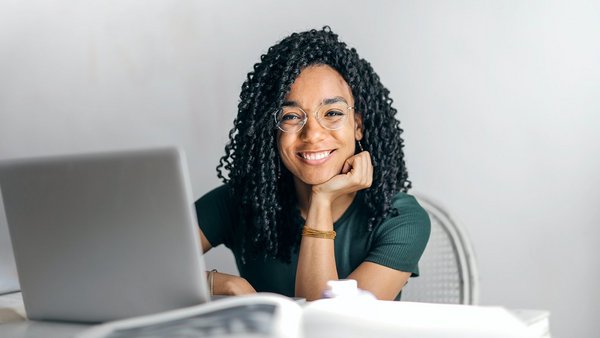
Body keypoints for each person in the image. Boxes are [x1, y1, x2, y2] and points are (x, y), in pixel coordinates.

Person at [195, 26, 430, 301]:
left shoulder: (400, 218)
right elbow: (139, 267)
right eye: (291, 117)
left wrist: (322, 199)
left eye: (332, 113)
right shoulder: (240, 201)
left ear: (358, 125)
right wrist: (222, 284)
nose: (313, 134)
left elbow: (329, 325)